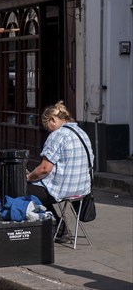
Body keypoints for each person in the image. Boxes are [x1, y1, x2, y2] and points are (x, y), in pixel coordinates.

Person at [27, 101, 93, 238]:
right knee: (36, 189)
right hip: (82, 189)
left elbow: (44, 169)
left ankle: (57, 226)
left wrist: (29, 177)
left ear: (52, 119)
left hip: (63, 190)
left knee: (23, 190)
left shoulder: (58, 135)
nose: (49, 130)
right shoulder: (82, 133)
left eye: (47, 126)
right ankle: (59, 227)